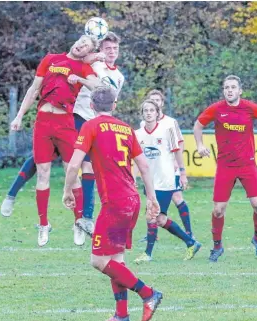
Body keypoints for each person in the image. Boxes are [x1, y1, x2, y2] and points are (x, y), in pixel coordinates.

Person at [0, 32, 124, 246]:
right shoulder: (50, 59)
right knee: (42, 171)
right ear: (75, 42)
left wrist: (81, 79)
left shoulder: (87, 68)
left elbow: (99, 88)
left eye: (87, 46)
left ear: (89, 52)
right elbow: (33, 89)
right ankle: (42, 223)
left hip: (69, 121)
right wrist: (19, 116)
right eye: (81, 42)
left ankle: (79, 221)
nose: (81, 46)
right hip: (44, 120)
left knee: (74, 170)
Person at [63, 87, 163, 321]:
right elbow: (144, 166)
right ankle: (121, 316)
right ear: (114, 106)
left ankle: (149, 294)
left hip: (115, 202)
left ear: (91, 107)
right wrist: (152, 198)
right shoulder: (126, 128)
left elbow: (73, 165)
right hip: (132, 199)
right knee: (116, 259)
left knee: (98, 260)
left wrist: (68, 191)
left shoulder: (90, 126)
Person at [193, 75, 257, 262]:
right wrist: (199, 145)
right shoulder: (217, 109)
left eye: (233, 87)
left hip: (247, 165)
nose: (229, 90)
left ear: (240, 90)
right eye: (226, 87)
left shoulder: (249, 107)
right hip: (225, 166)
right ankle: (217, 246)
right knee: (218, 210)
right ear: (224, 90)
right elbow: (198, 125)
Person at [72, 32, 125, 244]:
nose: (111, 52)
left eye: (115, 49)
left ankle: (86, 217)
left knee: (92, 168)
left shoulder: (119, 76)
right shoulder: (93, 64)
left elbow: (113, 101)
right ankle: (81, 216)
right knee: (73, 164)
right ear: (101, 50)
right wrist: (94, 57)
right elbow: (78, 61)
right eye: (108, 49)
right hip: (79, 116)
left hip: (99, 123)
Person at [134, 100, 201, 263]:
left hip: (165, 180)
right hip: (149, 181)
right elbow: (136, 158)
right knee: (159, 219)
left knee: (152, 215)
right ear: (142, 114)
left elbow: (177, 151)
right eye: (146, 110)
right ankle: (191, 243)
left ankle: (147, 254)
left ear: (158, 113)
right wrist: (134, 176)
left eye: (152, 110)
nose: (149, 113)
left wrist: (182, 172)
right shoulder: (137, 134)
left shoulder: (168, 129)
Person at [138, 89, 194, 243]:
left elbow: (179, 143)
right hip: (153, 171)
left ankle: (189, 233)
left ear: (161, 103)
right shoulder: (144, 123)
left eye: (157, 100)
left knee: (177, 198)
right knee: (151, 200)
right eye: (151, 100)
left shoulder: (170, 122)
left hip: (169, 170)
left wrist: (177, 163)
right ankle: (152, 234)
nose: (155, 103)